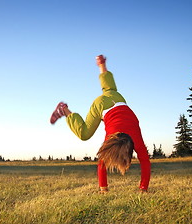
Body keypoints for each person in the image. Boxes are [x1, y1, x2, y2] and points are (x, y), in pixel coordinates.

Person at [50, 55, 151, 193]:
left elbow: (145, 163)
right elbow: (144, 162)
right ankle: (64, 110)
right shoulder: (114, 138)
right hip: (102, 105)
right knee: (84, 134)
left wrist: (143, 188)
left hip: (117, 98)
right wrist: (104, 189)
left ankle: (102, 65)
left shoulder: (133, 138)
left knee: (109, 89)